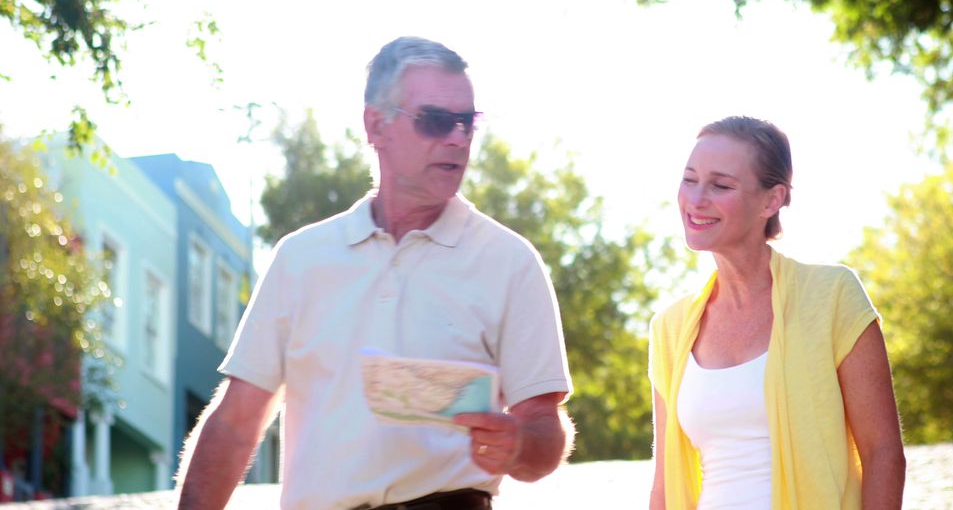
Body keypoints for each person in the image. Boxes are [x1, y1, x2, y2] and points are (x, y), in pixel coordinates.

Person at [175, 36, 574, 510]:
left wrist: (521, 445)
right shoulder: (300, 259)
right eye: (435, 121)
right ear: (375, 125)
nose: (458, 138)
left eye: (468, 122)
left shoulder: (510, 261)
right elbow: (235, 423)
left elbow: (543, 427)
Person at [649, 116, 905, 509]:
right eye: (689, 179)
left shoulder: (832, 297)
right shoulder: (670, 328)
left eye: (720, 185)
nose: (696, 199)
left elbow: (883, 454)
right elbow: (665, 488)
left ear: (771, 200)